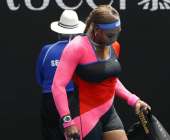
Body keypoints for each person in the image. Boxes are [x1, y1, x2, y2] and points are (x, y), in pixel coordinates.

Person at [51, 5, 151, 140]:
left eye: (117, 33)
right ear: (96, 29)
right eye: (110, 35)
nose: (114, 39)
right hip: (83, 115)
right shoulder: (76, 47)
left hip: (109, 113)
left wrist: (134, 100)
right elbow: (58, 86)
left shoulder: (115, 46)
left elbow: (111, 80)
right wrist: (67, 121)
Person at [36, 10, 86, 140]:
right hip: (72, 99)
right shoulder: (81, 50)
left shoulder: (47, 50)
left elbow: (39, 77)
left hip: (49, 100)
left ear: (59, 30)